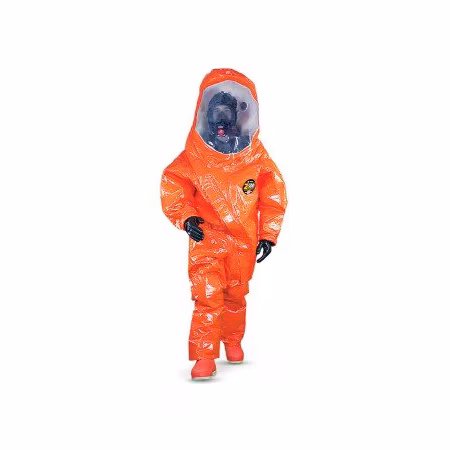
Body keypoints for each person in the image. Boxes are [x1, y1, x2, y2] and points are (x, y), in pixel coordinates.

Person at [161, 68, 287, 380]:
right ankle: (204, 356)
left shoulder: (255, 156)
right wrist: (186, 216)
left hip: (243, 243)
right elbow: (174, 184)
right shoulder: (194, 155)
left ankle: (232, 341)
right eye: (215, 111)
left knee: (235, 295)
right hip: (207, 239)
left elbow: (272, 194)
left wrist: (268, 233)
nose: (221, 119)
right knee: (207, 296)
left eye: (227, 112)